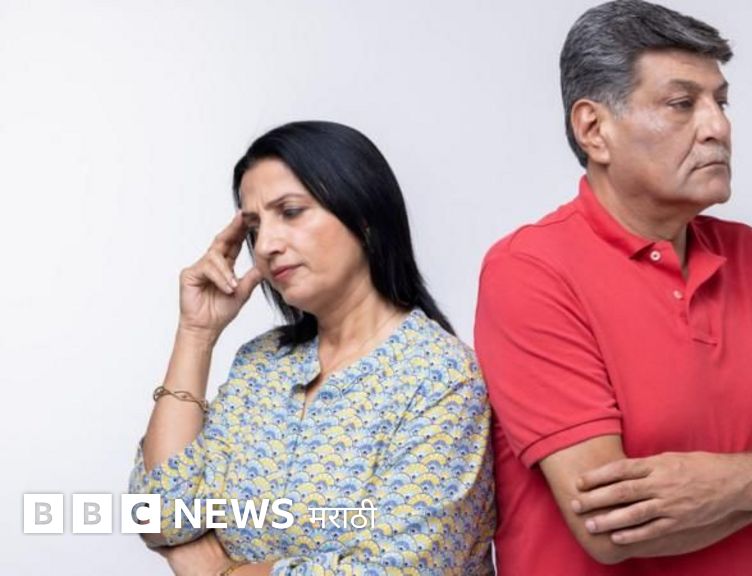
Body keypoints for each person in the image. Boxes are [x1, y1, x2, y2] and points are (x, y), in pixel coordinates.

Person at [473, 1, 752, 574]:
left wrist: (732, 481)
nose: (717, 126)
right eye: (682, 104)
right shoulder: (529, 270)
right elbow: (611, 527)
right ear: (594, 130)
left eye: (721, 102)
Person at [129, 121, 495, 575]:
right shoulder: (262, 365)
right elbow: (161, 516)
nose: (266, 245)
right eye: (255, 228)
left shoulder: (439, 377)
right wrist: (196, 333)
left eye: (291, 212)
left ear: (363, 214)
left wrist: (216, 570)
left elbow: (397, 570)